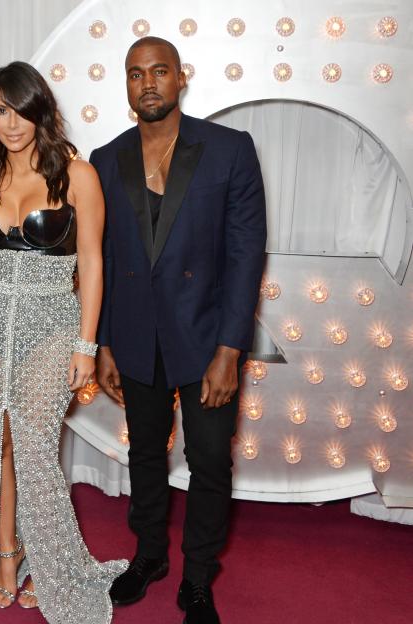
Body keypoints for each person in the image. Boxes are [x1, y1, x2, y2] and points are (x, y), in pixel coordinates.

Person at [0, 61, 126, 624]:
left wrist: (86, 345)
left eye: (20, 109)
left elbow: (91, 262)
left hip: (52, 323)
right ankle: (6, 557)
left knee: (36, 450)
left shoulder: (77, 175)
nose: (11, 123)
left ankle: (56, 566)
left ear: (41, 109)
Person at [90, 37, 266, 624]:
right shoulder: (105, 158)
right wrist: (104, 342)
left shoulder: (229, 150)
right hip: (137, 337)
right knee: (144, 453)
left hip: (206, 337)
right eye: (136, 73)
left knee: (211, 458)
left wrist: (230, 350)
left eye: (159, 71)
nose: (148, 83)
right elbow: (105, 259)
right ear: (127, 85)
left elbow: (246, 255)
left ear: (180, 77)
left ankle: (196, 576)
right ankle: (148, 556)